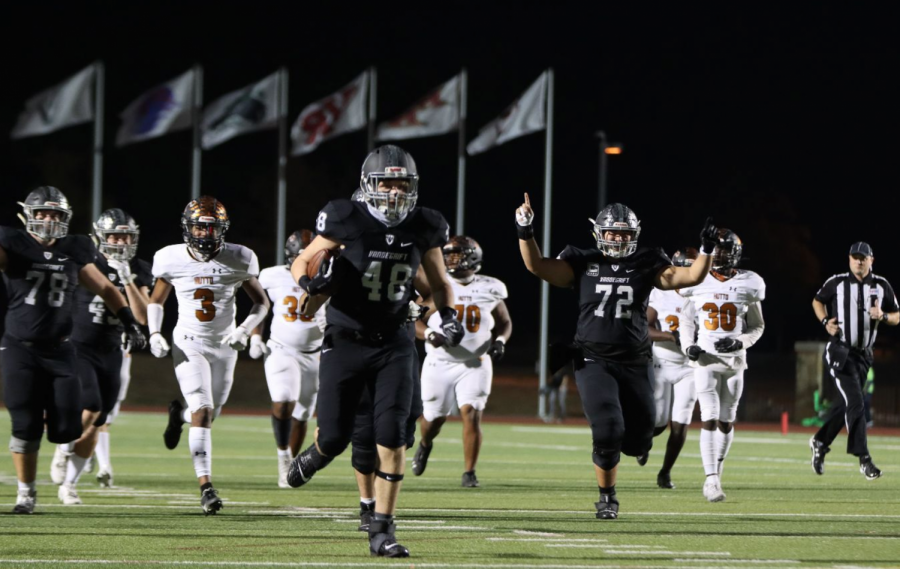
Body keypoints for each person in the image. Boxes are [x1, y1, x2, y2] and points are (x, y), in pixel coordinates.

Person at [287, 144, 464, 557]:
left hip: (395, 342)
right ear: (369, 185)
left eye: (402, 183)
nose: (395, 191)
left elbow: (438, 282)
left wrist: (448, 315)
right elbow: (304, 259)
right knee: (333, 438)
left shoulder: (425, 224)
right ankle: (315, 455)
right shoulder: (345, 216)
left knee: (390, 435)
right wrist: (307, 285)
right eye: (387, 182)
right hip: (345, 339)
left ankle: (383, 530)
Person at [515, 194, 716, 519]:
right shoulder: (582, 261)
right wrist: (525, 229)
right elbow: (536, 265)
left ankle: (633, 449)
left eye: (624, 234)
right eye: (613, 233)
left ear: (634, 235)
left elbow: (690, 277)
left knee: (639, 441)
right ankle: (607, 497)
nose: (618, 238)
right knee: (608, 428)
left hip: (635, 360)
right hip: (593, 358)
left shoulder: (646, 261)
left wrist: (706, 250)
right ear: (600, 233)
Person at [0, 187, 146, 514]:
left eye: (56, 215)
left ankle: (59, 454)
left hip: (61, 349)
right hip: (18, 347)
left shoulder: (75, 248)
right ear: (29, 216)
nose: (49, 220)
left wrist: (130, 322)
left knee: (69, 427)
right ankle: (26, 494)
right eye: (43, 214)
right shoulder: (12, 243)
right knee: (25, 423)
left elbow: (107, 288)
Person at [147, 196, 270, 514]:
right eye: (199, 227)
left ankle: (179, 416)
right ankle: (206, 487)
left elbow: (261, 303)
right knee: (203, 409)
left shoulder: (240, 258)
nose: (205, 233)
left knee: (209, 415)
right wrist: (155, 333)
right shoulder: (170, 259)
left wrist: (244, 330)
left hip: (225, 345)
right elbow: (156, 301)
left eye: (211, 227)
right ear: (188, 228)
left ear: (222, 229)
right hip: (189, 342)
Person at [50, 209, 152, 502]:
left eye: (126, 236)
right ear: (101, 237)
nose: (120, 241)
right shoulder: (87, 261)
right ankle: (64, 447)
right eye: (114, 235)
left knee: (99, 419)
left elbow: (143, 316)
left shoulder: (138, 268)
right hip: (79, 345)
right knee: (91, 406)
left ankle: (69, 484)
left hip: (113, 349)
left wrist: (127, 280)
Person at [410, 235, 512, 488]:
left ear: (473, 257)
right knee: (434, 419)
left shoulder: (491, 287)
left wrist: (500, 340)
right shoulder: (437, 285)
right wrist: (431, 334)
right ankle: (425, 444)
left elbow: (505, 322)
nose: (451, 260)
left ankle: (469, 472)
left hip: (476, 363)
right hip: (439, 362)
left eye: (458, 254)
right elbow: (414, 320)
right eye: (449, 255)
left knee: (472, 413)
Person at [678, 229, 765, 502]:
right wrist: (687, 346)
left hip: (734, 363)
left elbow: (757, 326)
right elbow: (686, 320)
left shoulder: (750, 283)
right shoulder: (698, 279)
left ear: (735, 253)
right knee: (709, 417)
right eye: (716, 249)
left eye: (725, 249)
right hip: (704, 360)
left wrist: (740, 342)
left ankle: (717, 471)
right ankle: (710, 480)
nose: (720, 254)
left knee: (727, 422)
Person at [809, 241, 898, 480]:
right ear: (849, 259)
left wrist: (884, 315)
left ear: (871, 260)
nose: (859, 261)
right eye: (855, 257)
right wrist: (824, 321)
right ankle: (864, 459)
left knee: (848, 404)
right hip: (841, 350)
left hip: (864, 355)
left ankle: (820, 441)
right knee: (856, 402)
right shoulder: (836, 282)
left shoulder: (881, 285)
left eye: (863, 257)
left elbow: (897, 316)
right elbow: (817, 301)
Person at [249, 229, 326, 487]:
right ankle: (283, 457)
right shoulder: (272, 276)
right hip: (281, 349)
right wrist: (255, 336)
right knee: (283, 401)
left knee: (303, 414)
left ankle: (292, 462)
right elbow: (259, 305)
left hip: (315, 354)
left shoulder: (327, 277)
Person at [639, 246, 699, 490]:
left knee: (681, 423)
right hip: (662, 362)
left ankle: (665, 472)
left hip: (690, 366)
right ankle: (642, 444)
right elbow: (644, 327)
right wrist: (669, 336)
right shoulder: (661, 294)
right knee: (660, 423)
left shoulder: (702, 294)